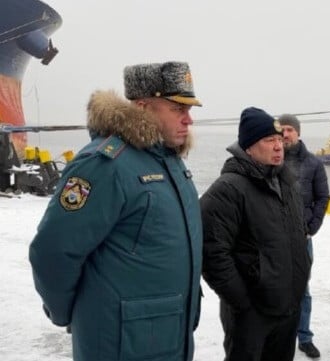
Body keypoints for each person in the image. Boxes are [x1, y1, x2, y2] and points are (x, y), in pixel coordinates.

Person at [29, 61, 203, 361]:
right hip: (121, 342)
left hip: (170, 335)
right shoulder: (105, 164)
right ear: (143, 107)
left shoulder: (169, 162)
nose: (188, 120)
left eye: (189, 110)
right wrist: (70, 313)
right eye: (177, 109)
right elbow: (53, 250)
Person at [200, 107, 311, 361]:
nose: (278, 147)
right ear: (249, 147)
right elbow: (212, 253)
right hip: (252, 315)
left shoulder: (287, 183)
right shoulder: (228, 189)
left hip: (287, 309)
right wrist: (243, 303)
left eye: (280, 140)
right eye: (269, 140)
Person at [279, 113, 330, 359]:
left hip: (301, 239)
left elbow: (323, 198)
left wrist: (312, 227)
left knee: (302, 290)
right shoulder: (270, 160)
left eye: (289, 129)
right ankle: (277, 335)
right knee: (272, 286)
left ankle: (304, 337)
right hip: (273, 238)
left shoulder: (313, 164)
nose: (285, 134)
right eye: (281, 130)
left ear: (298, 132)